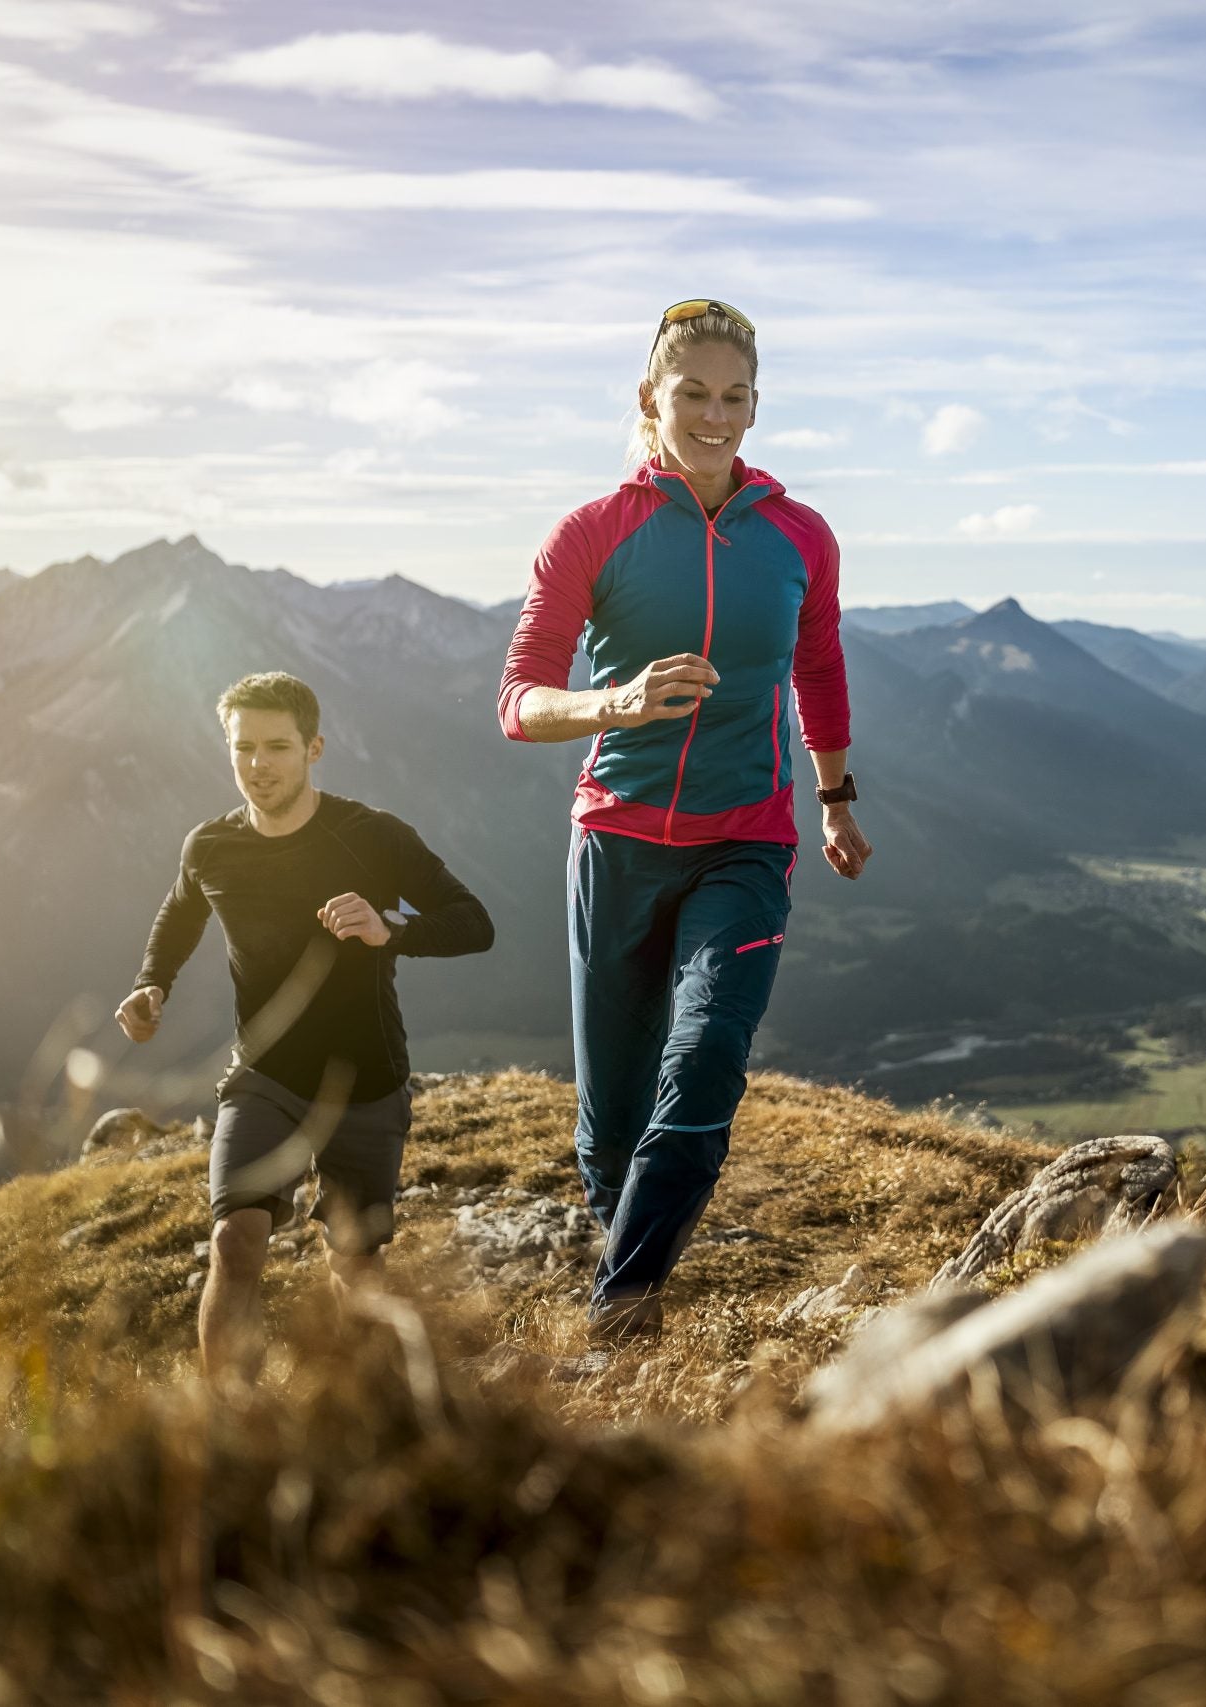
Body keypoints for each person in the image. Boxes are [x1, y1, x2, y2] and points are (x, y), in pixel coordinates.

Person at [498, 297, 870, 1340]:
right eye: (693, 394)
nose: (715, 415)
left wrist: (835, 800)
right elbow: (520, 699)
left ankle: (620, 1319)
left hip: (747, 842)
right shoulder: (593, 532)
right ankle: (629, 1269)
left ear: (756, 405)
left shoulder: (799, 536)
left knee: (704, 1061)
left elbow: (818, 667)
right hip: (616, 840)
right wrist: (609, 704)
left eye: (735, 396)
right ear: (649, 400)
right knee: (611, 1120)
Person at [118, 671, 494, 1381]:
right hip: (265, 1077)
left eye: (278, 747)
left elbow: (475, 921)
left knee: (355, 1265)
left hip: (367, 1082)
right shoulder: (211, 847)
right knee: (235, 1241)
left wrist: (391, 928)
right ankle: (228, 1422)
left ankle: (350, 1414)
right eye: (244, 748)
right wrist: (150, 986)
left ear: (314, 747)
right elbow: (179, 915)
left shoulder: (372, 837)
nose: (258, 765)